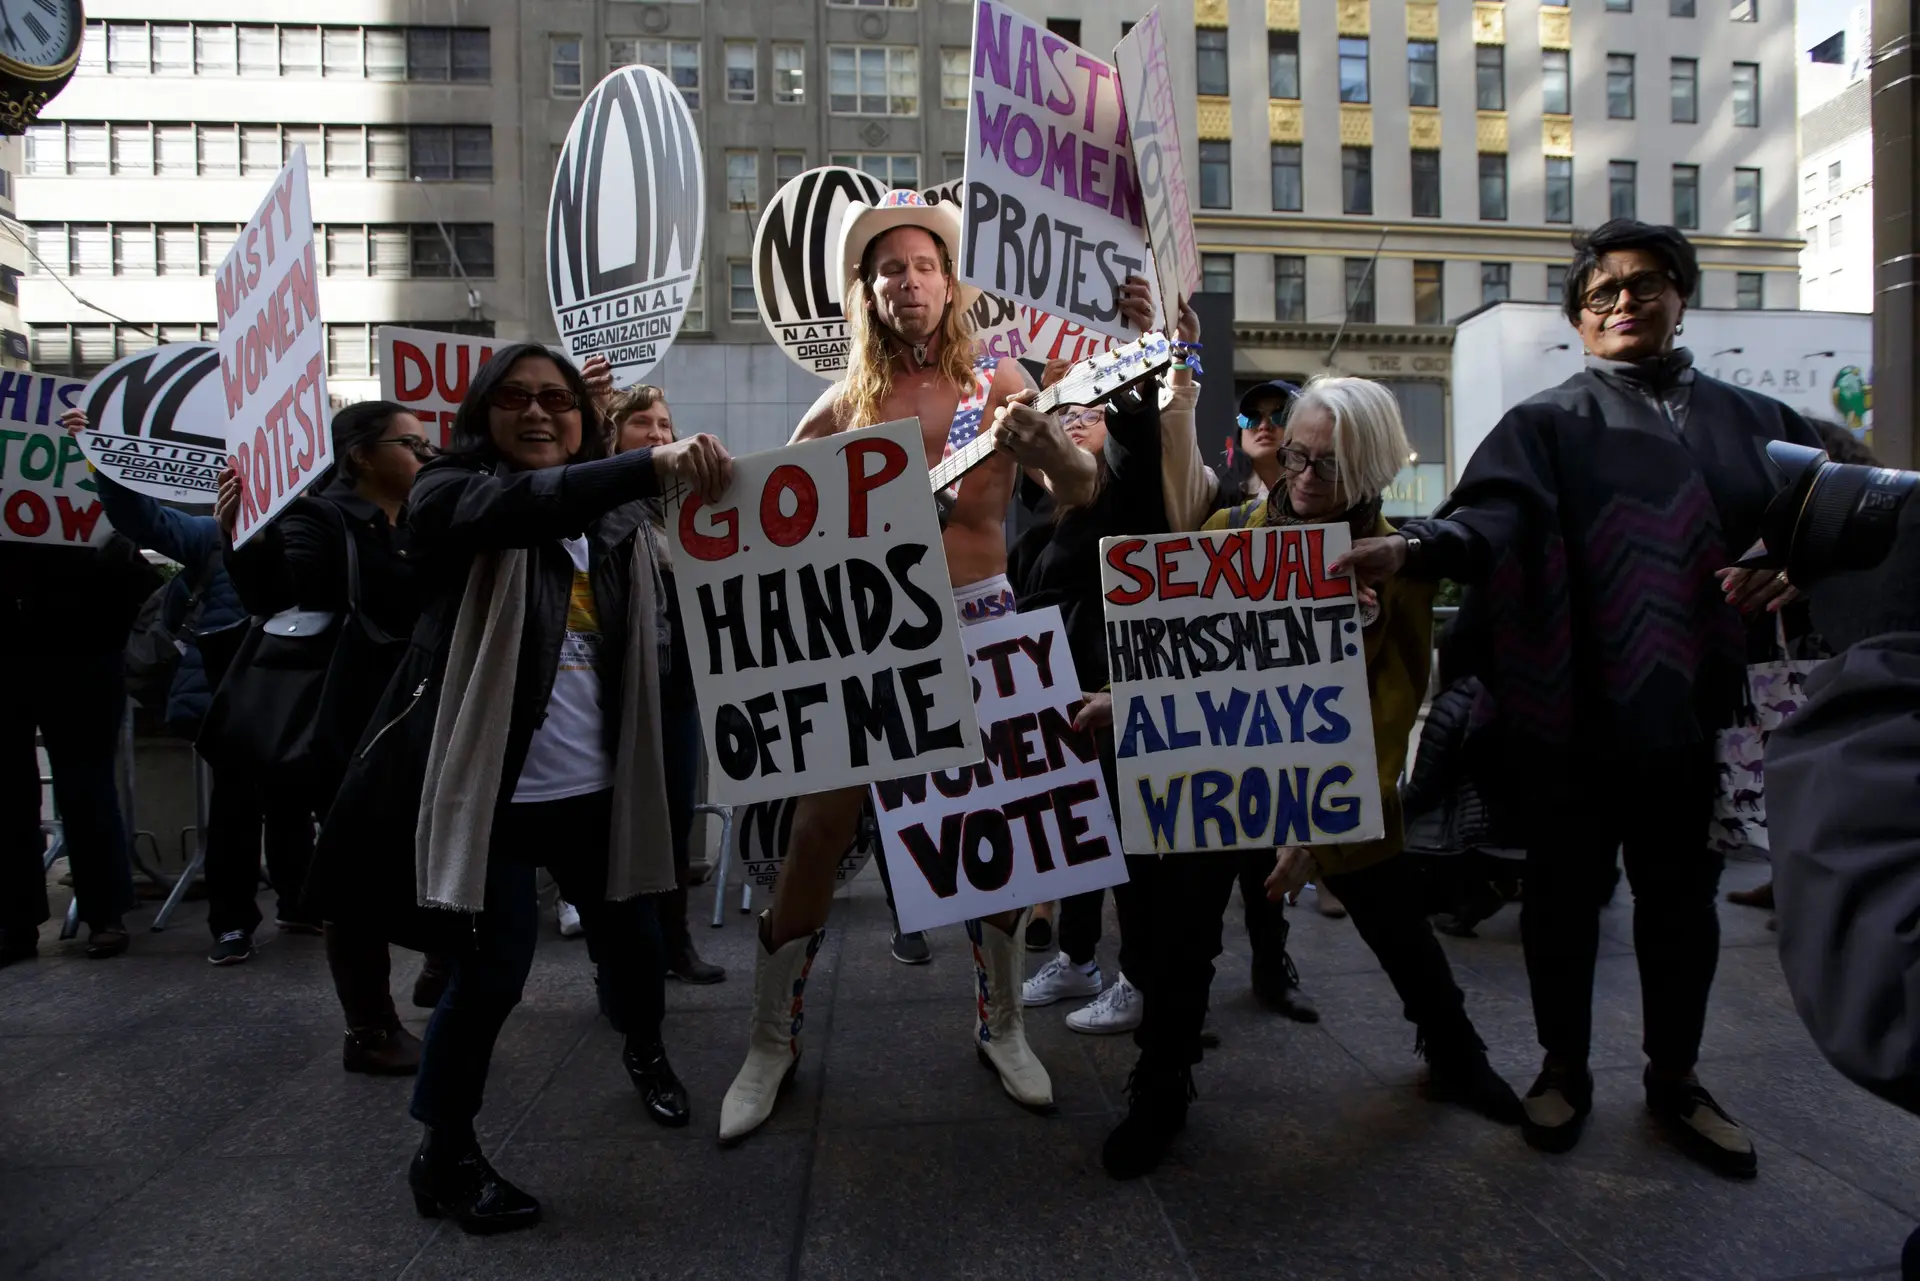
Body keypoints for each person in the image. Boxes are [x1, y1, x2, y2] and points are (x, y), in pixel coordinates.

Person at [1338, 219, 1824, 1178]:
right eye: (1600, 294)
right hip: (1572, 715)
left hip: (1700, 716)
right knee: (1562, 899)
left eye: (1645, 285)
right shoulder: (1547, 421)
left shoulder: (1761, 421)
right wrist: (1413, 547)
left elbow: (1832, 516)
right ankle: (1562, 1068)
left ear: (1681, 295)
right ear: (1576, 318)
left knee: (1684, 904)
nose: (1622, 303)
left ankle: (1676, 1077)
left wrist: (1796, 561)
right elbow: (1490, 516)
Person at [719, 190, 1145, 1143]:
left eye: (923, 267)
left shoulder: (1001, 385)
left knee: (995, 835)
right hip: (870, 647)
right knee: (818, 830)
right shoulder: (842, 405)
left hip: (986, 626)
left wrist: (1052, 451)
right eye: (889, 271)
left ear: (949, 284)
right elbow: (761, 525)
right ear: (867, 294)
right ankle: (768, 1039)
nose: (907, 282)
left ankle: (1002, 1025)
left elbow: (1079, 491)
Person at [314, 345, 733, 1232]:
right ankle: (446, 1152)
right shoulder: (450, 494)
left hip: (602, 793)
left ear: (583, 419)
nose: (538, 413)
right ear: (481, 414)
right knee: (490, 973)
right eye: (514, 399)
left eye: (557, 401)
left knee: (634, 954)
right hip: (492, 796)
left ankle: (646, 1050)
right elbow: (523, 506)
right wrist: (644, 462)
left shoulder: (617, 522)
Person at [1097, 375, 1523, 1180]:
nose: (1300, 474)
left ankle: (1457, 1053)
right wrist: (1124, 699)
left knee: (1399, 926)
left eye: (1324, 464)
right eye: (1295, 453)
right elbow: (1187, 658)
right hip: (1219, 780)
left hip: (1339, 790)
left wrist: (1319, 831)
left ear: (1368, 471)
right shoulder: (1227, 530)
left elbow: (1395, 701)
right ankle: (1160, 1088)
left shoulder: (1400, 562)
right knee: (1181, 939)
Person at [219, 401, 457, 1072]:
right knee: (354, 875)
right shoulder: (319, 517)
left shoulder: (426, 517)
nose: (426, 454)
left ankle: (441, 965)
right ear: (361, 455)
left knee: (444, 846)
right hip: (353, 722)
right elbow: (276, 594)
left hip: (423, 710)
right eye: (411, 444)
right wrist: (246, 535)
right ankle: (370, 1029)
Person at [58, 409, 271, 963]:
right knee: (237, 807)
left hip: (311, 689)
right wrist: (104, 453)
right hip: (237, 695)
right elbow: (141, 518)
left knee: (301, 805)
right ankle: (232, 923)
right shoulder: (209, 537)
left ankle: (303, 902)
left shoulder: (320, 525)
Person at [604, 383, 723, 986]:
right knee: (620, 824)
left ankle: (675, 943)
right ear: (613, 434)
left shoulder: (684, 510)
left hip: (678, 686)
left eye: (664, 424)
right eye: (641, 423)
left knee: (675, 817)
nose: (656, 434)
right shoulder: (602, 510)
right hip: (619, 690)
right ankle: (625, 964)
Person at [0, 525, 157, 964]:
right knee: (56, 787)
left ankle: (86, 915)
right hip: (69, 645)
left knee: (82, 787)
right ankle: (89, 916)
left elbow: (132, 573)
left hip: (78, 647)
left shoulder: (78, 504)